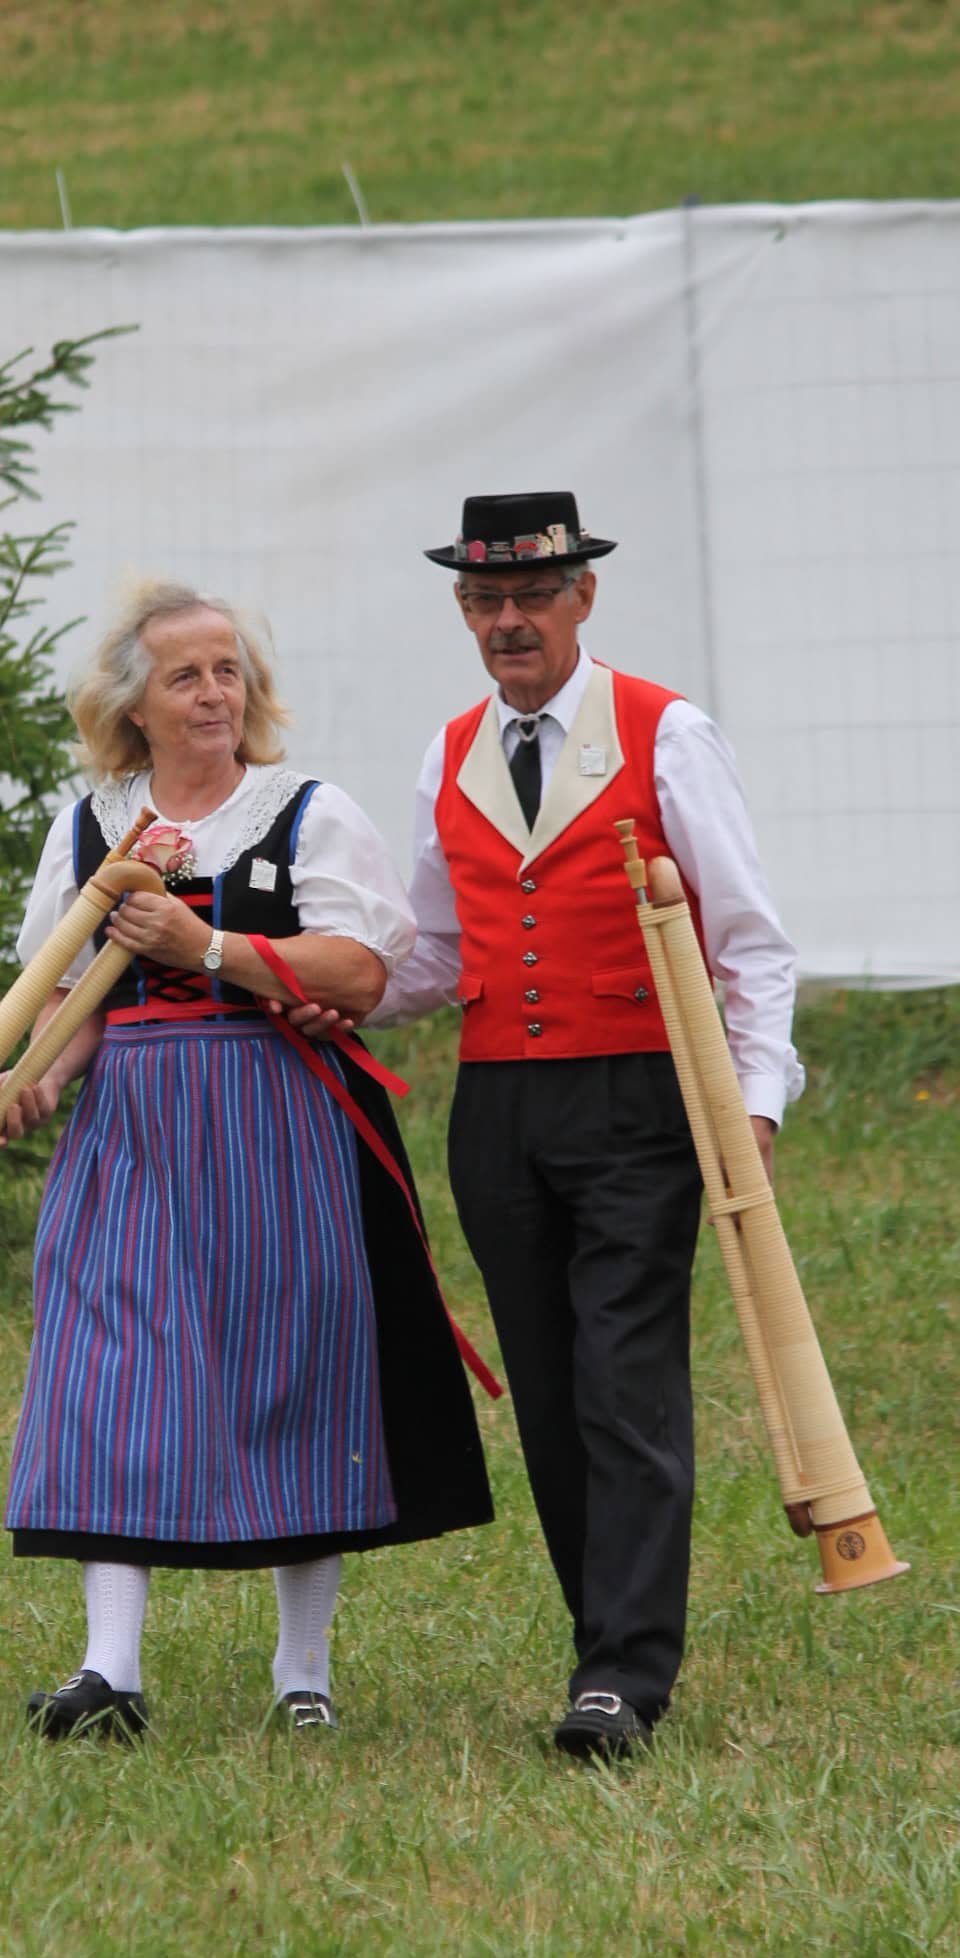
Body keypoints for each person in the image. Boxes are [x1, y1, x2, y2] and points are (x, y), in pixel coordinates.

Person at [0, 578, 493, 1739]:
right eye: (186, 676)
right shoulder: (91, 827)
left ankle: (301, 1672)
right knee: (106, 1371)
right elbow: (65, 995)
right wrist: (36, 1078)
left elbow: (360, 973)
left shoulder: (305, 812)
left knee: (295, 1375)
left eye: (228, 671)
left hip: (277, 1123)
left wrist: (207, 943)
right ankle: (110, 1671)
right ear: (135, 706)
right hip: (130, 1128)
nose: (214, 693)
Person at [369, 491, 803, 1758]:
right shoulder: (448, 750)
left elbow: (748, 941)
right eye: (484, 601)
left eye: (530, 598)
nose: (508, 621)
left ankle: (623, 1675)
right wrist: (299, 979)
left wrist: (754, 1105)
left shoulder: (666, 731)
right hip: (498, 1109)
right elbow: (429, 952)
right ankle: (597, 1648)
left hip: (639, 1098)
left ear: (582, 598)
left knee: (624, 1382)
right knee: (552, 1396)